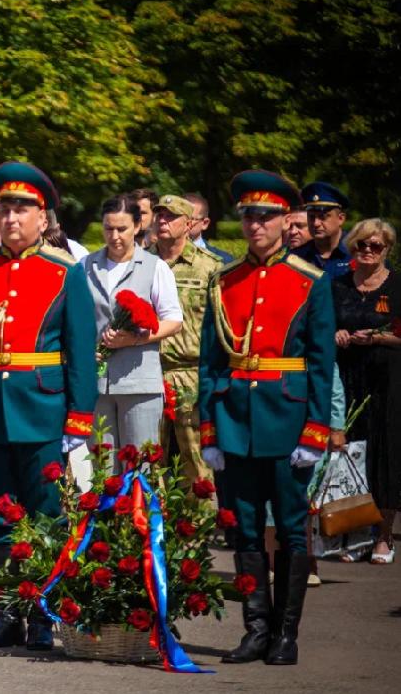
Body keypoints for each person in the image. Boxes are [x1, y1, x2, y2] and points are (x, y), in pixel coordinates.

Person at [0, 161, 97, 650]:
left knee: (45, 514)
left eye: (21, 209)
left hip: (43, 410)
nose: (11, 218)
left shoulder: (64, 273)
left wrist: (79, 419)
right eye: (4, 208)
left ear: (42, 216)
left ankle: (42, 617)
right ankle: (8, 612)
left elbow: (79, 351)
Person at [199, 170, 335, 666]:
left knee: (294, 529)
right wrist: (209, 428)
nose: (255, 225)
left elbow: (321, 365)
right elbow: (211, 362)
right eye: (249, 216)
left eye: (266, 216)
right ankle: (256, 629)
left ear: (285, 221)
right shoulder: (224, 280)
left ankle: (286, 634)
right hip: (236, 420)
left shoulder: (309, 282)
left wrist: (316, 431)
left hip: (287, 420)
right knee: (246, 528)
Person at [82, 195, 182, 457]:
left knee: (139, 466)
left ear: (138, 226)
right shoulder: (85, 265)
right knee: (101, 468)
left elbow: (173, 320)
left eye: (122, 229)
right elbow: (76, 319)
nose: (114, 236)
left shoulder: (155, 267)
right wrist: (84, 350)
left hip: (139, 383)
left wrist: (134, 340)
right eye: (108, 228)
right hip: (97, 384)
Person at [332, 218, 401, 565]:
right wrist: (338, 335)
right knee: (351, 455)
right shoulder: (339, 285)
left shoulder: (398, 286)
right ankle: (356, 533)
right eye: (362, 245)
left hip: (389, 381)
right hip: (348, 378)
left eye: (376, 246)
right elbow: (322, 327)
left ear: (387, 249)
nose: (369, 251)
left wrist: (377, 337)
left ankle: (384, 537)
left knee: (386, 455)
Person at [149, 194, 222, 488]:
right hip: (148, 372)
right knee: (148, 460)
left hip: (190, 374)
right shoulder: (142, 262)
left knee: (196, 464)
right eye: (159, 215)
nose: (163, 221)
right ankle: (153, 530)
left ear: (189, 223)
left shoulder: (209, 268)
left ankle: (196, 531)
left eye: (171, 216)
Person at [292, 182, 352, 279]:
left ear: (341, 219)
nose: (316, 223)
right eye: (311, 217)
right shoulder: (297, 257)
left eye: (323, 217)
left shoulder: (358, 252)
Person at [185, 193, 234, 263]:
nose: (182, 222)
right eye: (176, 217)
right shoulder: (164, 258)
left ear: (205, 223)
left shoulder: (224, 261)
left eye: (189, 218)